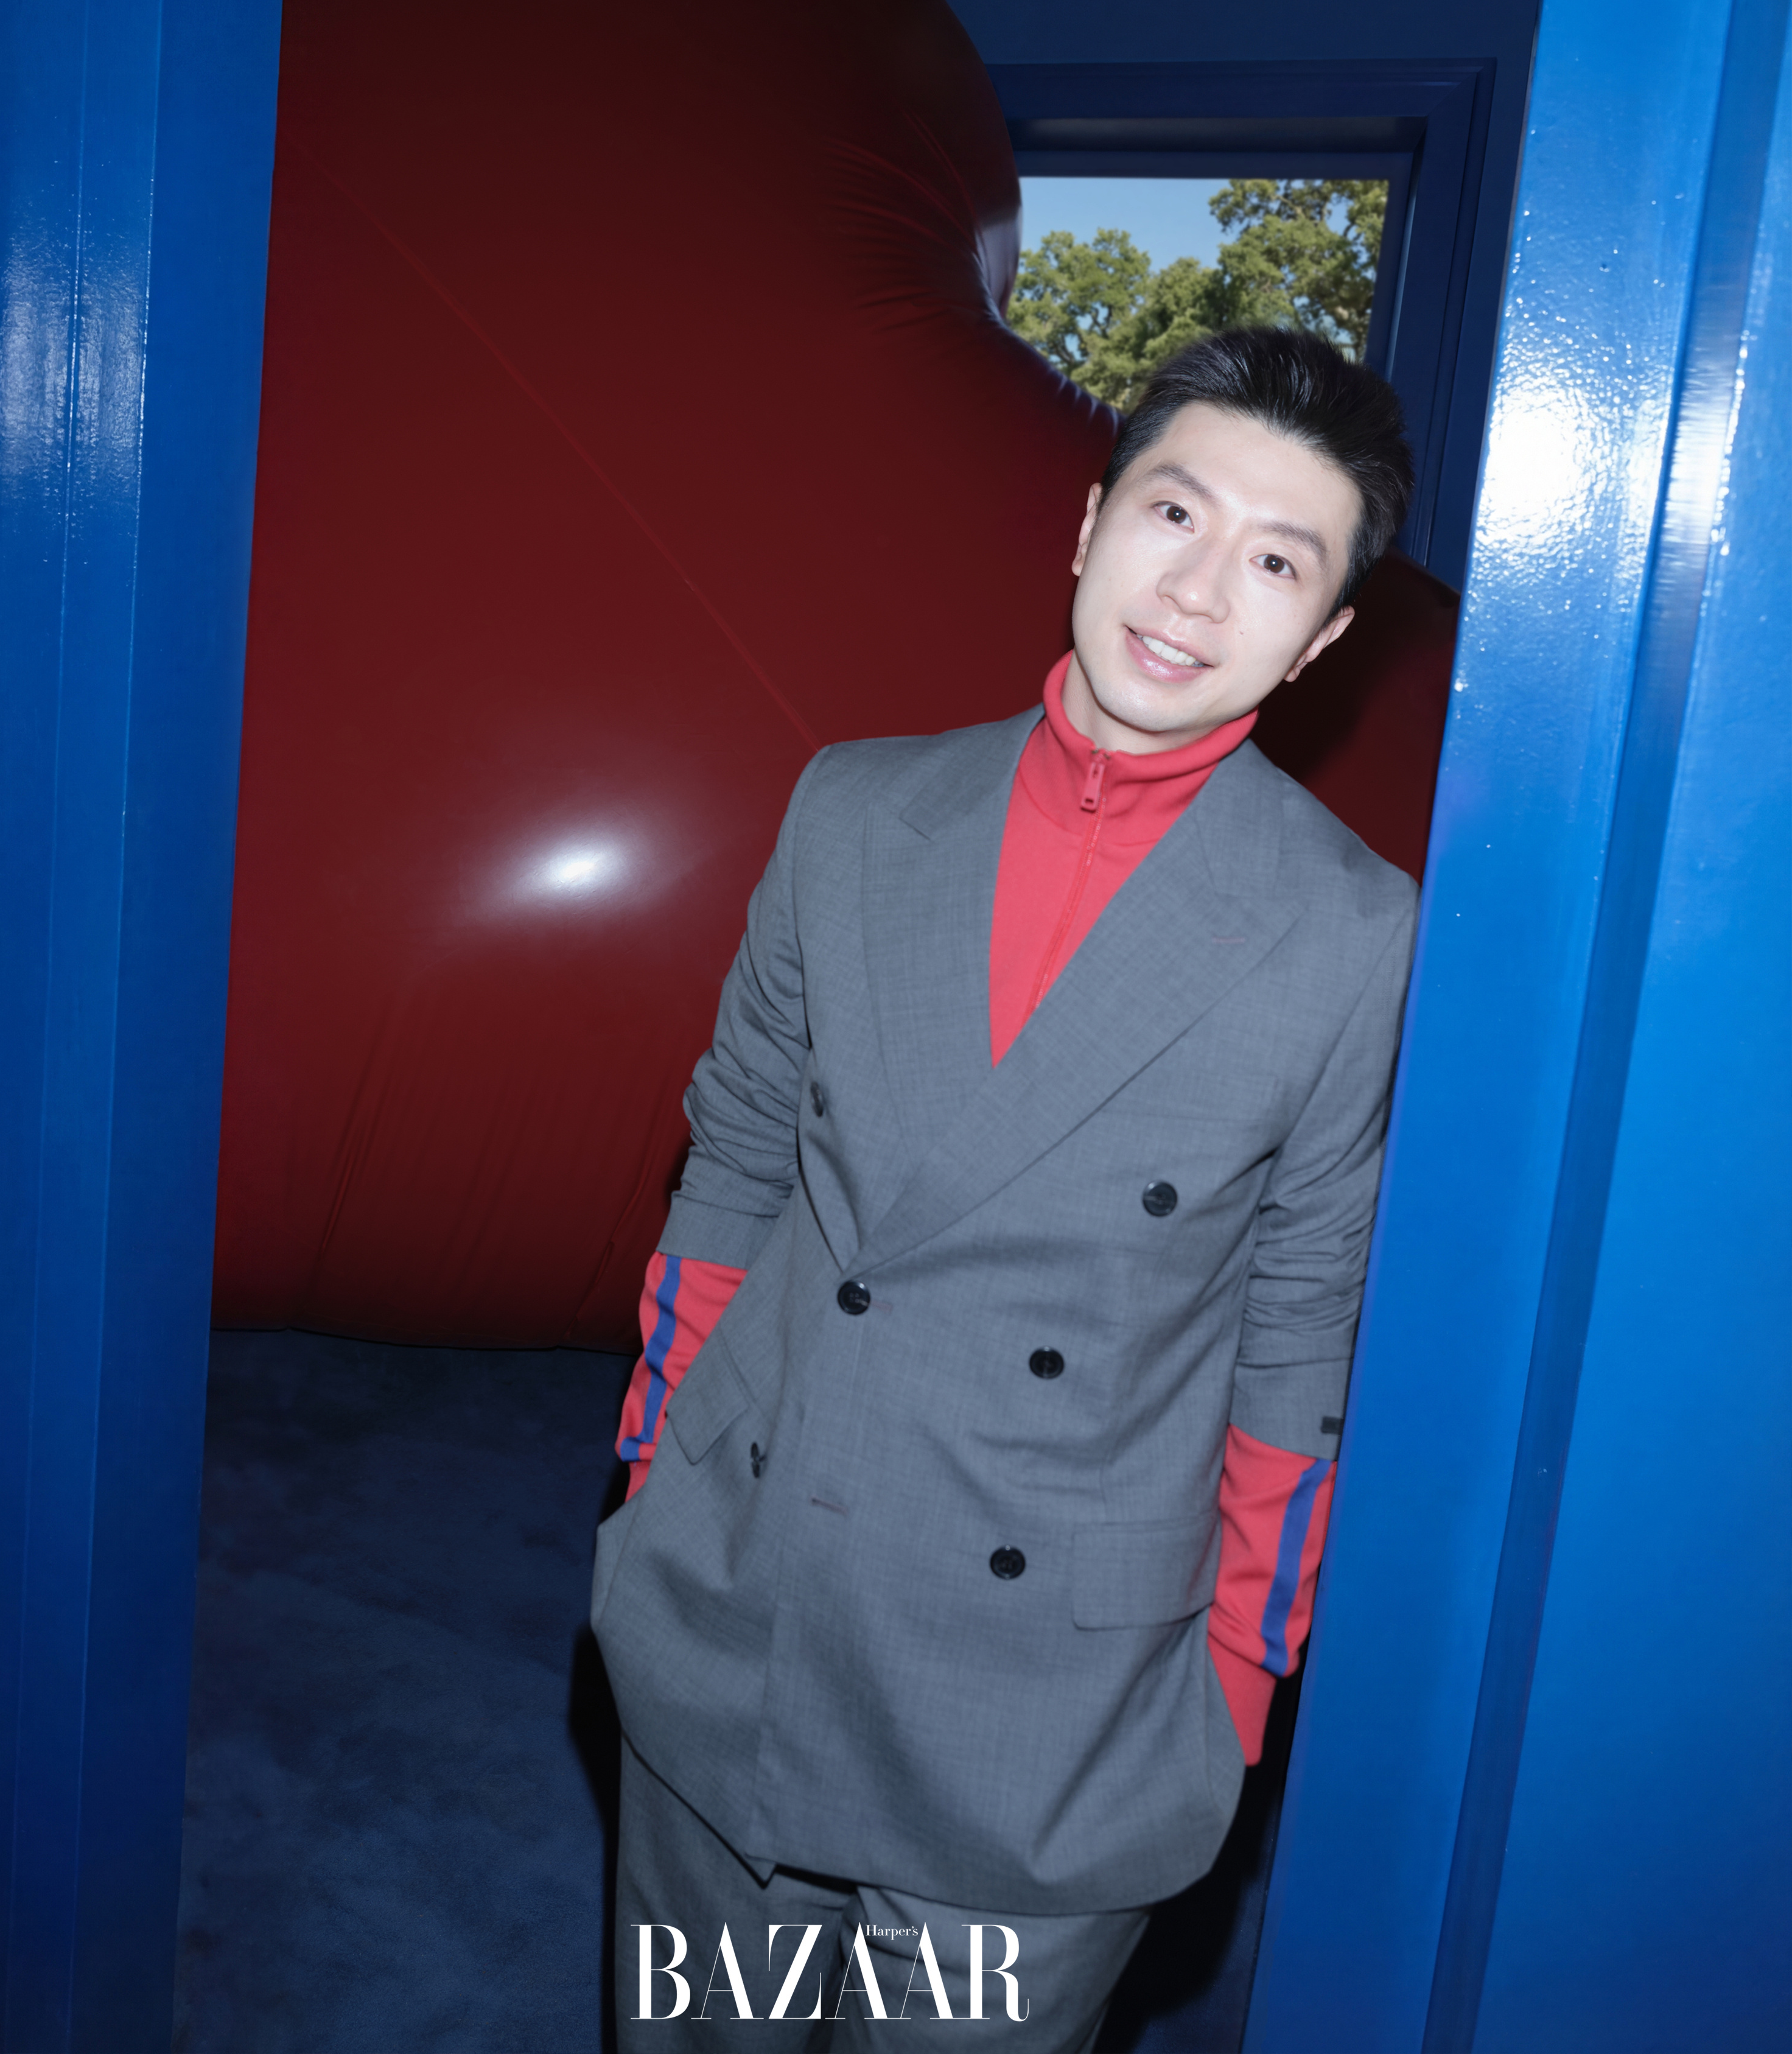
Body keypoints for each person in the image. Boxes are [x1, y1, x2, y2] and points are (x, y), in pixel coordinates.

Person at [590, 327, 1421, 2050]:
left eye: (1277, 563)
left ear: (1324, 636)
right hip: (745, 1599)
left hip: (1054, 1710)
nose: (1197, 592)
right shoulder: (853, 808)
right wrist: (656, 1474)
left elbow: (1300, 1336)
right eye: (1173, 513)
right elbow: (733, 1158)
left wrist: (1233, 1688)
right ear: (1089, 522)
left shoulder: (1351, 933)